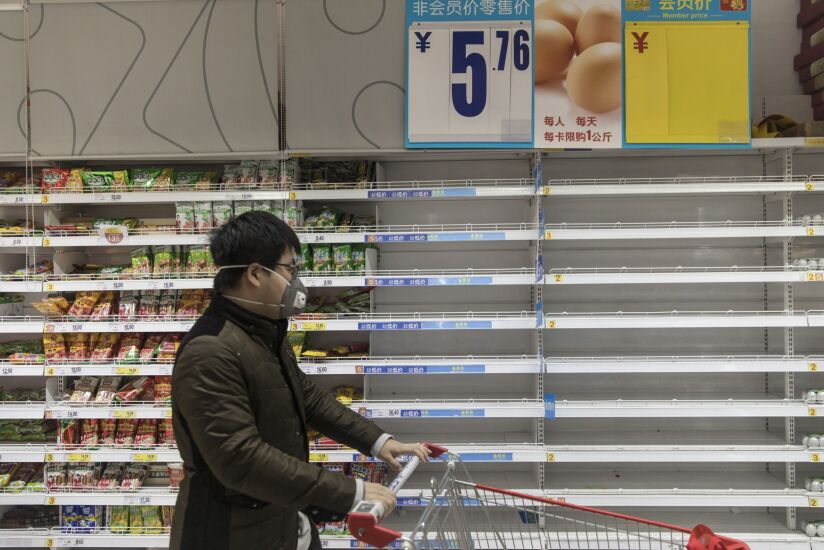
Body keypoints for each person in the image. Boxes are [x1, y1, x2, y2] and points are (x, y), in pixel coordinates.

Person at [170, 211, 430, 550]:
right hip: (229, 530)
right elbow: (240, 458)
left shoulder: (262, 333)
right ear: (255, 273)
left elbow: (305, 397)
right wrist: (351, 492)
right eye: (290, 269)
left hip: (280, 514)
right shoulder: (210, 350)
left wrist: (378, 441)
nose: (296, 281)